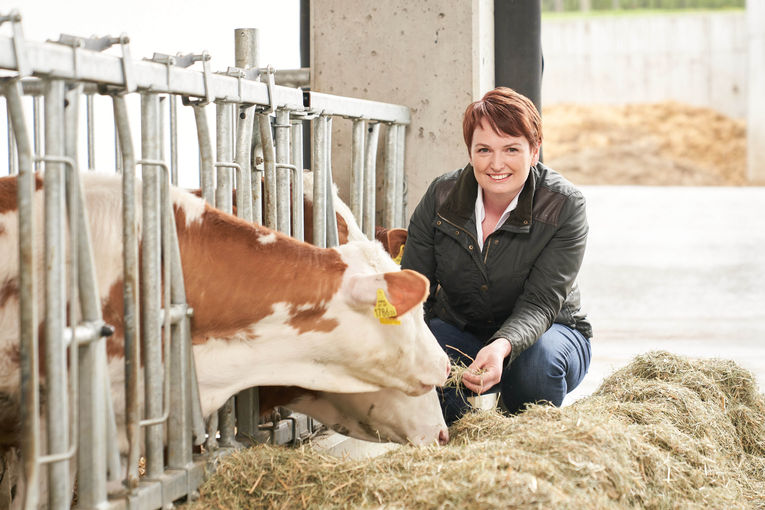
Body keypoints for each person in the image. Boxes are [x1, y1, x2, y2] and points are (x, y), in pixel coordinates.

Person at [401, 87, 592, 425]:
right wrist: (418, 343)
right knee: (423, 364)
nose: (497, 163)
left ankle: (524, 441)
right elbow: (415, 284)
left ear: (534, 152)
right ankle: (462, 446)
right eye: (484, 149)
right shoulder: (440, 197)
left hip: (550, 331)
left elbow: (542, 302)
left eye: (511, 149)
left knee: (534, 368)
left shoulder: (564, 205)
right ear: (470, 152)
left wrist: (502, 345)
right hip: (463, 328)